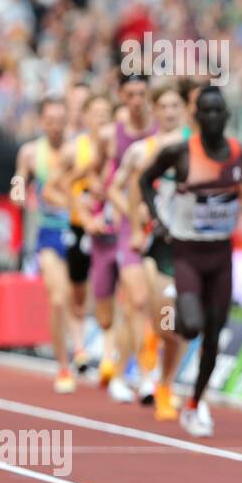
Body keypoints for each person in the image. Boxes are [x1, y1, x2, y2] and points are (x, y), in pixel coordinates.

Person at [140, 86, 242, 436]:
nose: (212, 118)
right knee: (192, 326)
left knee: (213, 335)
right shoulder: (180, 153)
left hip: (221, 253)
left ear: (227, 117)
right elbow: (144, 180)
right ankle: (178, 314)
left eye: (218, 112)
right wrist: (157, 218)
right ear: (196, 117)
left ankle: (195, 404)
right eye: (206, 112)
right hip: (187, 251)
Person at [113, 78, 192, 416]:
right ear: (154, 111)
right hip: (154, 243)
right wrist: (136, 218)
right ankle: (148, 373)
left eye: (177, 106)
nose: (171, 112)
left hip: (191, 243)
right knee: (157, 314)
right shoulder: (142, 150)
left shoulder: (197, 146)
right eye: (164, 106)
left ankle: (165, 382)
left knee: (181, 323)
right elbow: (121, 188)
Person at [91, 72, 158, 403]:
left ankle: (125, 372)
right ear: (121, 95)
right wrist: (104, 208)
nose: (136, 100)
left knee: (144, 305)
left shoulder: (163, 132)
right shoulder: (110, 135)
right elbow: (100, 178)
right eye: (130, 94)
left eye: (141, 94)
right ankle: (143, 376)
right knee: (136, 299)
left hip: (161, 227)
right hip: (127, 228)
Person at [14, 97, 77, 393]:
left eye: (60, 120)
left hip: (81, 230)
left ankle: (86, 351)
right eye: (50, 121)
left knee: (80, 299)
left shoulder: (78, 149)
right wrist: (17, 193)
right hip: (49, 233)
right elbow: (19, 180)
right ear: (42, 122)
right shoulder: (30, 152)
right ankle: (63, 366)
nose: (56, 127)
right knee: (58, 297)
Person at [56, 93, 113, 374]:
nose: (102, 118)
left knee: (110, 291)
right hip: (80, 227)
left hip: (110, 228)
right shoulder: (73, 149)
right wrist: (77, 205)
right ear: (87, 116)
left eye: (106, 113)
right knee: (78, 292)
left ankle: (108, 355)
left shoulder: (118, 145)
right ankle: (79, 346)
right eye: (97, 113)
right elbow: (56, 186)